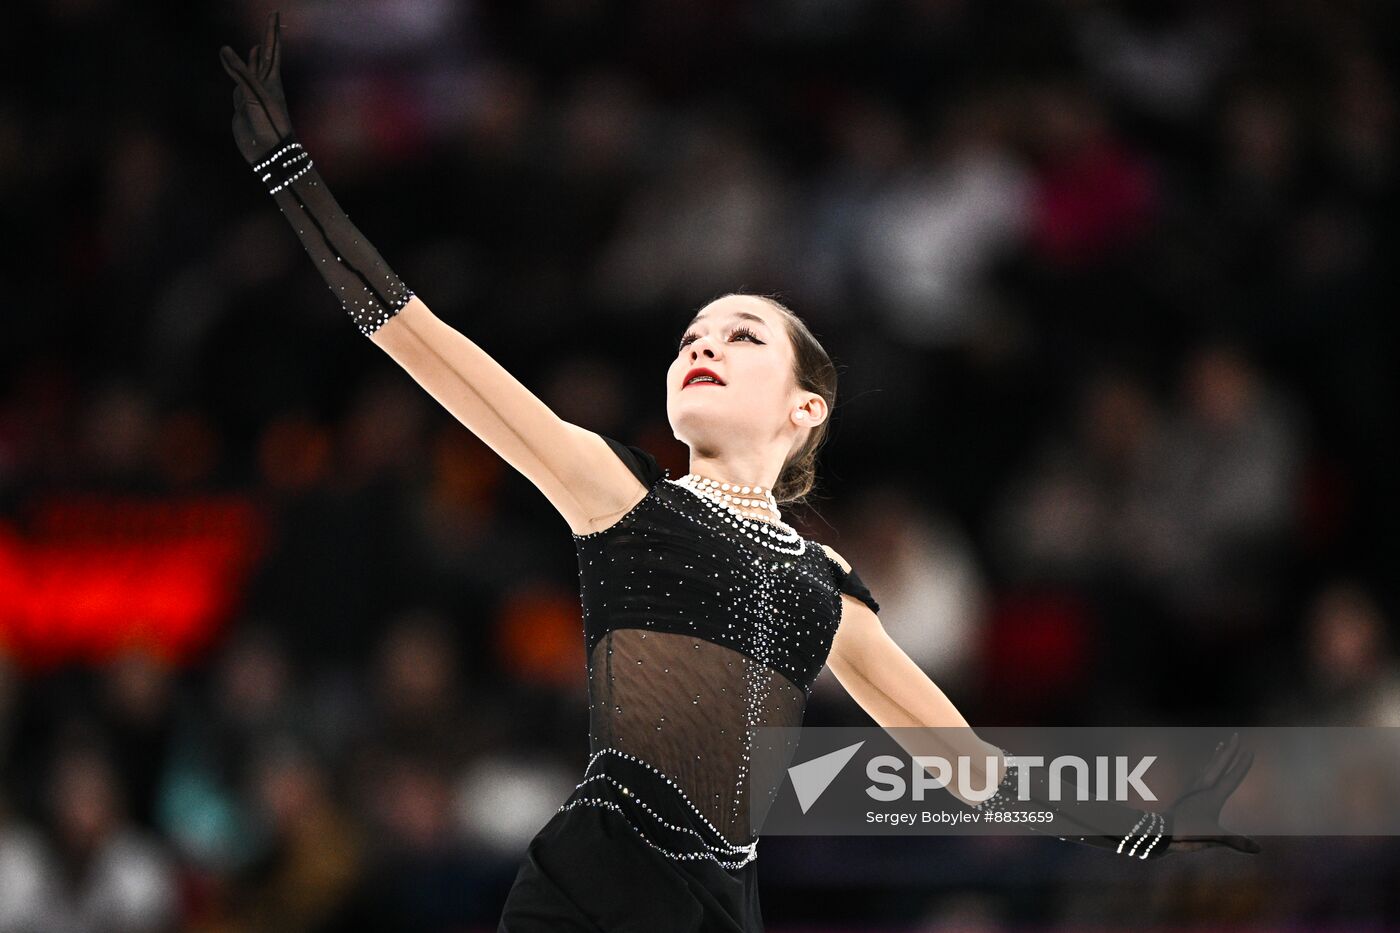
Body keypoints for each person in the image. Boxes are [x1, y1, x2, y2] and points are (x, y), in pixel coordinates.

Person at [219, 15, 1260, 931]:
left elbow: (972, 770)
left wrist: (1138, 832)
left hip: (724, 905)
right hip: (597, 878)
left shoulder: (829, 593)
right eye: (689, 336)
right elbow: (424, 343)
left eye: (742, 334)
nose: (700, 345)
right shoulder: (614, 493)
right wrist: (293, 180)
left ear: (805, 407)